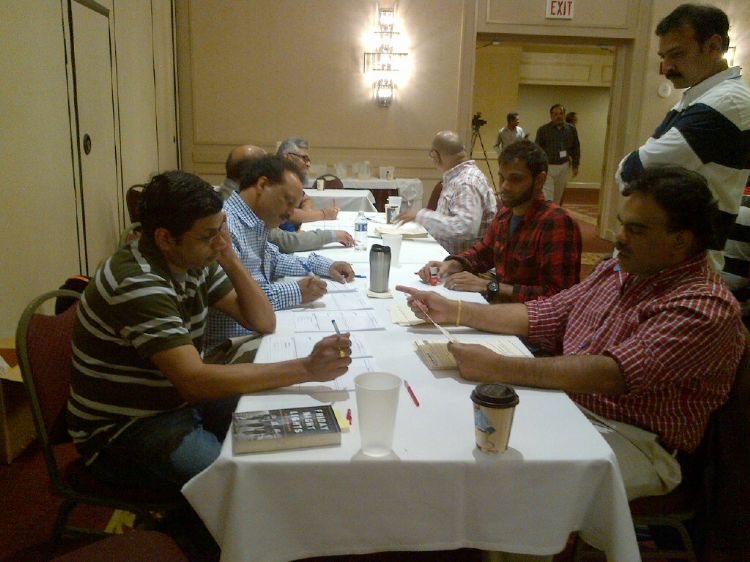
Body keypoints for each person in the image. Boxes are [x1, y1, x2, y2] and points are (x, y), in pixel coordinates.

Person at [399, 166, 744, 500]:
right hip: (572, 402)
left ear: (681, 241)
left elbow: (611, 374)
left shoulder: (703, 306)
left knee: (499, 472)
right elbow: (547, 313)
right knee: (456, 428)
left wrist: (498, 367)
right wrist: (455, 310)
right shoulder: (619, 270)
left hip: (637, 440)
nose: (619, 237)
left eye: (636, 229)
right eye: (622, 224)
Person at [67, 171, 351, 490]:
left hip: (176, 402)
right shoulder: (138, 282)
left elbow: (263, 320)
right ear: (165, 238)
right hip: (125, 429)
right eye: (207, 236)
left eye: (221, 230)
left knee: (280, 417)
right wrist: (306, 368)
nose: (218, 242)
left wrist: (229, 257)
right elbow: (194, 382)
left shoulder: (193, 260)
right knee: (242, 482)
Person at [616, 3, 750, 272]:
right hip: (663, 254)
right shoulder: (699, 97)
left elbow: (630, 173)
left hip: (685, 260)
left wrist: (636, 163)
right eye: (663, 56)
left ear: (713, 46)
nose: (667, 67)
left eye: (677, 54)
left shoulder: (726, 104)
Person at [205, 155, 355, 350]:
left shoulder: (254, 221)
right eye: (288, 201)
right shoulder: (225, 227)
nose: (291, 213)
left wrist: (325, 265)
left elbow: (274, 260)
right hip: (231, 343)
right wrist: (297, 291)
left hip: (254, 332)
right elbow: (246, 301)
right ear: (262, 185)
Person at [417, 141, 581, 302]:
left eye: (515, 179)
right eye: (502, 178)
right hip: (502, 307)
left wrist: (490, 286)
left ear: (539, 180)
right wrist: (450, 265)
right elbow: (483, 253)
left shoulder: (557, 223)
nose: (505, 187)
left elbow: (559, 296)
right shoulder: (505, 214)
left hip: (529, 316)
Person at [219, 144, 355, 252]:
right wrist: (329, 230)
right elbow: (286, 242)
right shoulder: (230, 216)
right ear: (260, 181)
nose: (289, 212)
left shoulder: (237, 199)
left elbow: (272, 259)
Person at [395, 130, 497, 254]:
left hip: (459, 261)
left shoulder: (466, 183)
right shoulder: (459, 177)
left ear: (435, 155)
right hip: (446, 254)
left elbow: (464, 230)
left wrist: (421, 216)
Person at [276, 137, 339, 230]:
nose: (308, 164)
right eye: (304, 158)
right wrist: (324, 214)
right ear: (289, 157)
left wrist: (306, 212)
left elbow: (306, 199)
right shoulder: (276, 178)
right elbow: (286, 213)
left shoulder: (291, 179)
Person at [535, 104, 580, 204]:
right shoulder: (543, 130)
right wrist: (538, 167)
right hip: (548, 167)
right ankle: (548, 211)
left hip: (564, 166)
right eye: (555, 114)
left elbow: (576, 147)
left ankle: (555, 212)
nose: (558, 116)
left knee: (558, 195)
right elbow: (537, 149)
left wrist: (575, 165)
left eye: (561, 113)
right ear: (551, 116)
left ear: (564, 114)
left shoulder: (571, 130)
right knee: (548, 195)